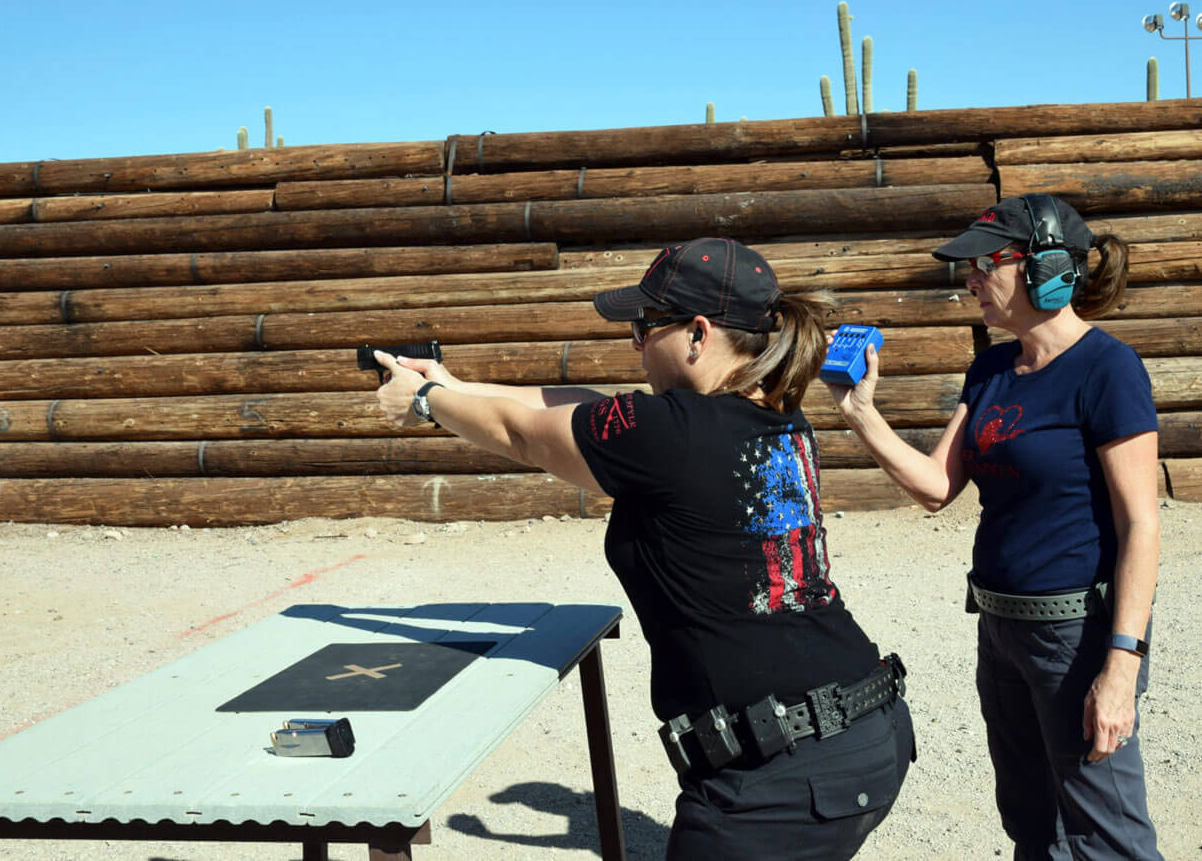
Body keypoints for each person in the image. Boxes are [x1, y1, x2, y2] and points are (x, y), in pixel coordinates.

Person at [373, 236, 913, 860]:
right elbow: (585, 408)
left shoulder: (667, 432)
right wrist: (453, 385)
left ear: (698, 334)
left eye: (645, 325)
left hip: (779, 780)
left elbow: (522, 435)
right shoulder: (777, 416)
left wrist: (421, 401)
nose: (634, 342)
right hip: (863, 729)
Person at [827, 194, 1163, 860]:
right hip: (1001, 629)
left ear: (1048, 270)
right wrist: (859, 413)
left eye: (985, 265)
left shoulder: (1108, 369)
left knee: (1107, 838)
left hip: (1075, 636)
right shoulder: (989, 370)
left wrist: (1121, 665)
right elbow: (935, 487)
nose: (971, 281)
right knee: (1032, 825)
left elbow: (1141, 526)